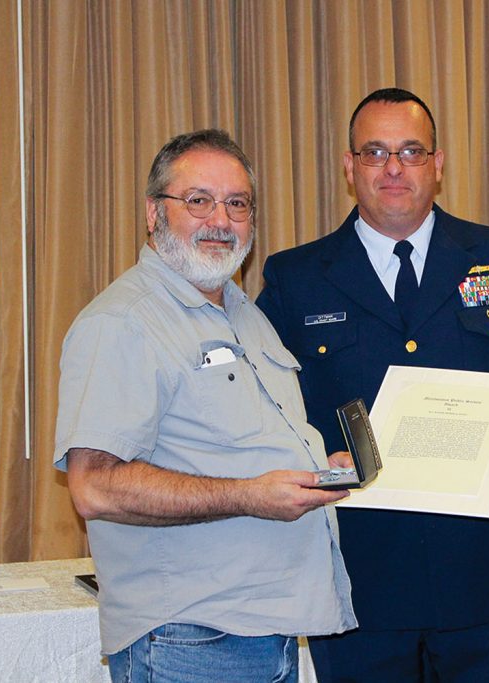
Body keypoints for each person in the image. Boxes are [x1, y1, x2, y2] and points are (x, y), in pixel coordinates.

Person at [256, 89, 489, 682]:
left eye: (411, 151)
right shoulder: (297, 276)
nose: (394, 168)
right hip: (360, 574)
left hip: (481, 579)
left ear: (437, 165)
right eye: (376, 152)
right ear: (350, 167)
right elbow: (262, 403)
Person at [54, 129, 357, 683]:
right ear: (153, 213)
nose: (221, 220)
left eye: (237, 204)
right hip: (188, 641)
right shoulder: (123, 323)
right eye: (198, 201)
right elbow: (94, 486)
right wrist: (250, 497)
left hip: (263, 628)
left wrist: (316, 471)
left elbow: (239, 446)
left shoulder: (243, 312)